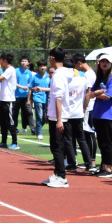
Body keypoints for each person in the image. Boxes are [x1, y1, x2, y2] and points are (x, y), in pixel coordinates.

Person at [44, 49, 73, 188]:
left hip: (59, 117)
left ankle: (62, 177)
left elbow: (59, 97)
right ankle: (57, 174)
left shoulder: (58, 75)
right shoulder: (64, 73)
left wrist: (59, 119)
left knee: (57, 147)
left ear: (52, 58)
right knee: (56, 146)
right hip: (56, 115)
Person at [87, 56, 112, 178]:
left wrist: (96, 94)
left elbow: (108, 96)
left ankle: (108, 168)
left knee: (107, 142)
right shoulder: (99, 77)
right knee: (101, 142)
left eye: (107, 62)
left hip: (107, 114)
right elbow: (91, 93)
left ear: (111, 64)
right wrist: (97, 93)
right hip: (97, 113)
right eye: (102, 62)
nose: (104, 64)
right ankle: (103, 166)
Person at [0, 52, 20, 150]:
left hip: (9, 101)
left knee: (10, 122)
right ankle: (3, 142)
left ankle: (15, 142)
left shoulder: (10, 69)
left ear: (4, 60)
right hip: (4, 99)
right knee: (3, 122)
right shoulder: (7, 70)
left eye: (1, 60)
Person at [30, 61, 50, 140]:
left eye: (44, 65)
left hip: (46, 99)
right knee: (39, 116)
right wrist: (29, 99)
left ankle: (36, 129)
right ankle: (39, 133)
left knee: (44, 118)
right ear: (38, 67)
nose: (42, 67)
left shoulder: (49, 77)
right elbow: (30, 88)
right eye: (41, 66)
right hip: (37, 98)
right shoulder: (34, 77)